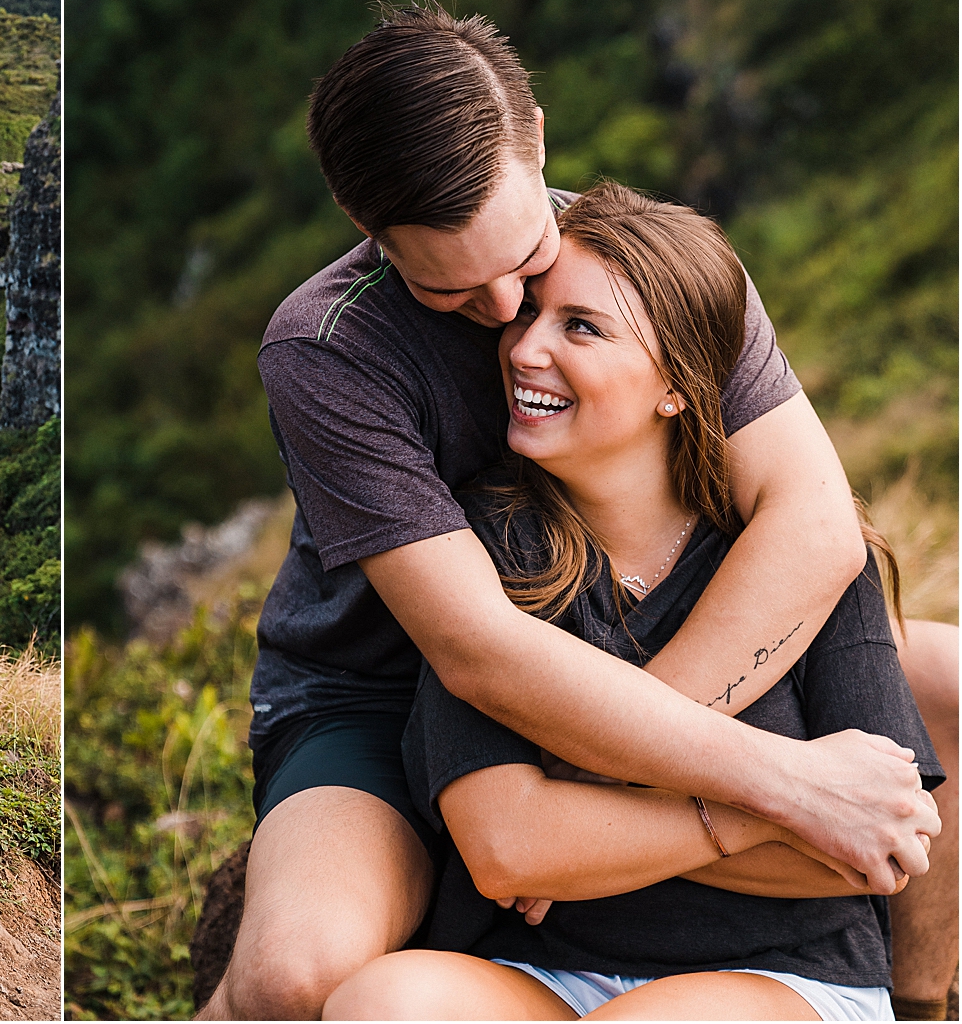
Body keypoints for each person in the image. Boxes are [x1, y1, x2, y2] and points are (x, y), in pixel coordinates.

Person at [200, 3, 955, 1020]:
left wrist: (593, 791)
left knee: (947, 681)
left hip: (648, 634)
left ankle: (919, 998)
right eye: (456, 291)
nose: (510, 318)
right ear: (368, 230)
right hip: (386, 688)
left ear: (538, 140)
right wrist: (779, 785)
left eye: (526, 260)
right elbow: (482, 650)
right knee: (295, 975)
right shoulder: (328, 348)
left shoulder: (650, 269)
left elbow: (814, 518)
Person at [326, 181, 942, 1021]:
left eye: (581, 326)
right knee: (382, 1002)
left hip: (784, 975)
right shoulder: (485, 549)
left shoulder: (805, 559)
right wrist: (791, 798)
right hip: (540, 971)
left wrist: (584, 827)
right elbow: (507, 847)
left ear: (677, 386)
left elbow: (878, 846)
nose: (525, 347)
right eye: (530, 313)